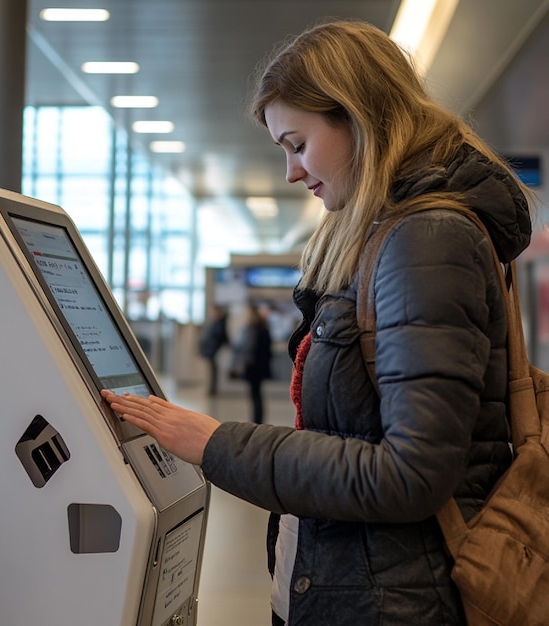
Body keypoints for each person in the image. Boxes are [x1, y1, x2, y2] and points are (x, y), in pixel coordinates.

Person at [102, 19, 534, 625]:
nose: (292, 172)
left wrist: (215, 443)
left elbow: (412, 473)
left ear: (359, 121)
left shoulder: (425, 240)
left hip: (400, 600)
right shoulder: (391, 238)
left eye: (298, 144)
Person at [230, 303, 273, 423]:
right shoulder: (263, 328)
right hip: (259, 367)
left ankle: (257, 419)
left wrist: (243, 366)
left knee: (255, 395)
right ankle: (257, 419)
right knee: (257, 394)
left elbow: (248, 349)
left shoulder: (252, 330)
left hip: (253, 368)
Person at [198, 304, 230, 395]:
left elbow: (221, 335)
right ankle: (212, 388)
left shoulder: (220, 323)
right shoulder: (215, 322)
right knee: (212, 370)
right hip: (212, 349)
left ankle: (213, 389)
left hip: (214, 349)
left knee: (214, 370)